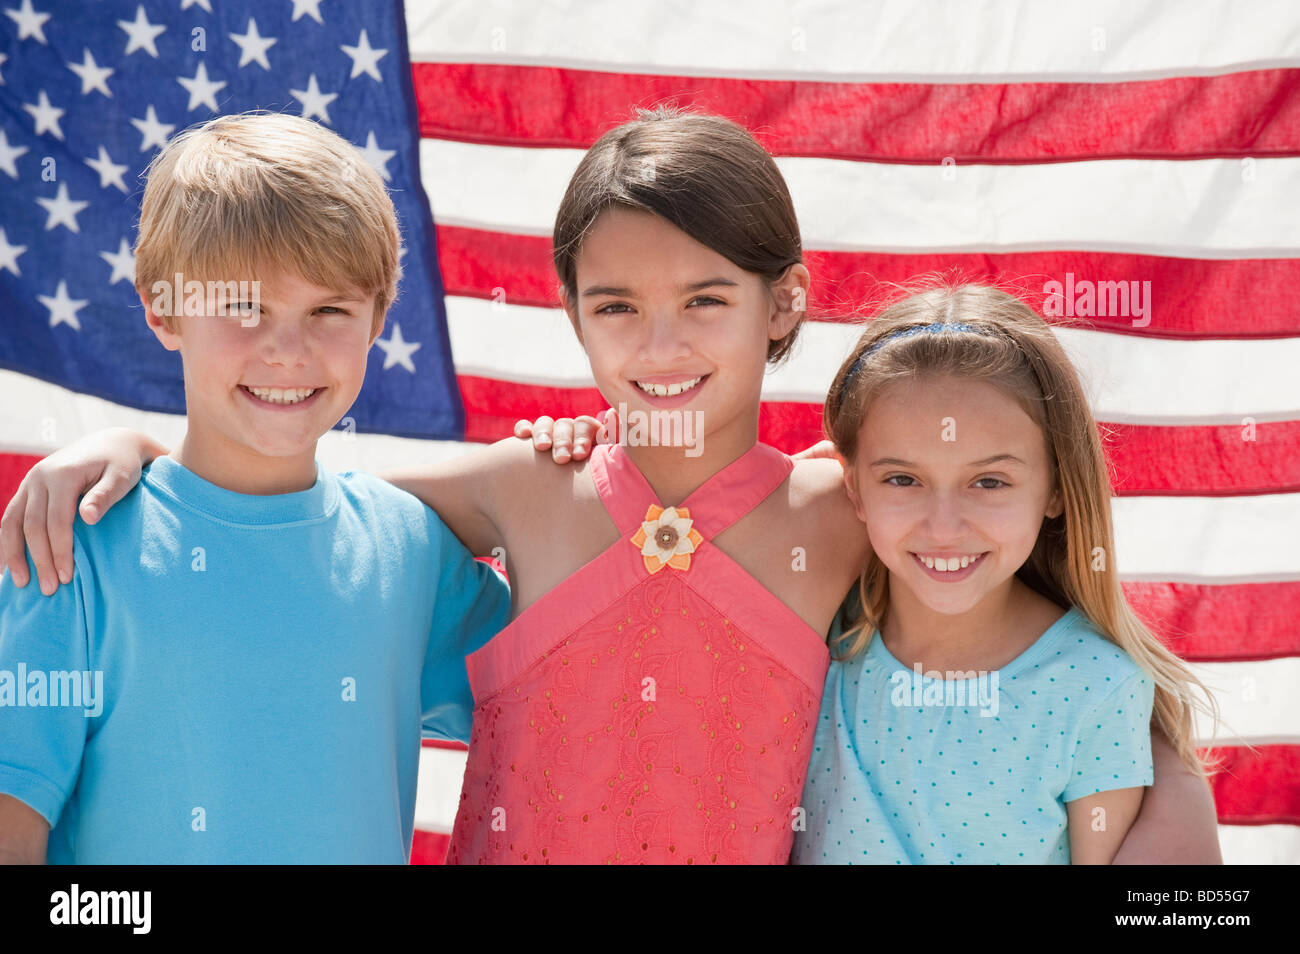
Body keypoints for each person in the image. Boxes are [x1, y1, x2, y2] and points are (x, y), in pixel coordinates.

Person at [1, 108, 1223, 864]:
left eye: (706, 300)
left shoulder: (850, 514)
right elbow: (290, 469)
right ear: (572, 319)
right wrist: (138, 448)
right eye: (618, 308)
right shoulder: (518, 492)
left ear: (782, 304)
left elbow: (1058, 659)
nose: (662, 345)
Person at [0, 113, 510, 863]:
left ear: (377, 320)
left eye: (330, 310)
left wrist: (550, 470)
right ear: (162, 309)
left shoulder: (411, 550)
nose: (287, 351)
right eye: (243, 308)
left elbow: (576, 704)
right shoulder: (69, 553)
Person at [788, 286, 1217, 863]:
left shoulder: (1096, 687)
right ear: (853, 486)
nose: (943, 527)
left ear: (1058, 488)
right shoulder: (810, 636)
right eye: (902, 480)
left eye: (989, 482)